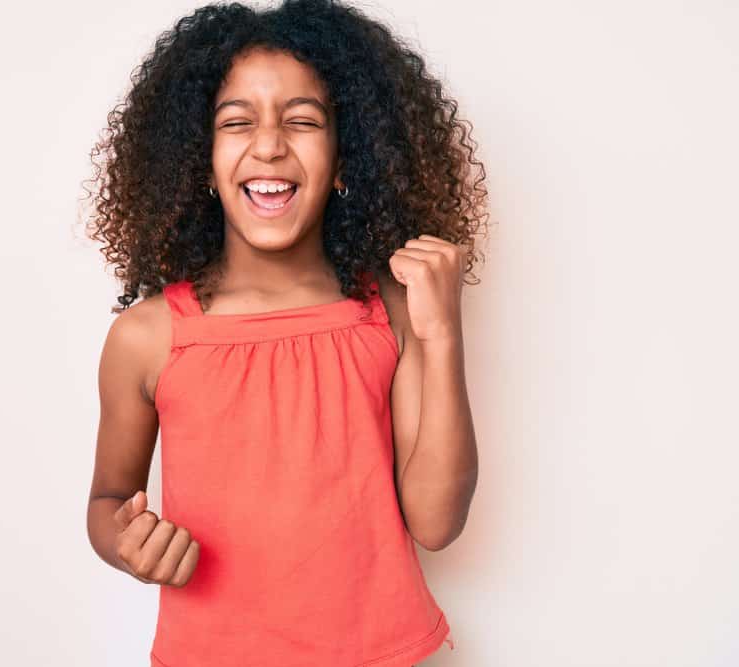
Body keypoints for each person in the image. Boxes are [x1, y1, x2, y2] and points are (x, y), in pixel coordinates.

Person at [83, 1, 488, 665]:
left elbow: (437, 522)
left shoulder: (391, 308)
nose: (269, 144)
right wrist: (125, 543)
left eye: (302, 121)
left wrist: (441, 333)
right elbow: (106, 499)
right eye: (237, 122)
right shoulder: (147, 335)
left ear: (347, 155)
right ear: (199, 160)